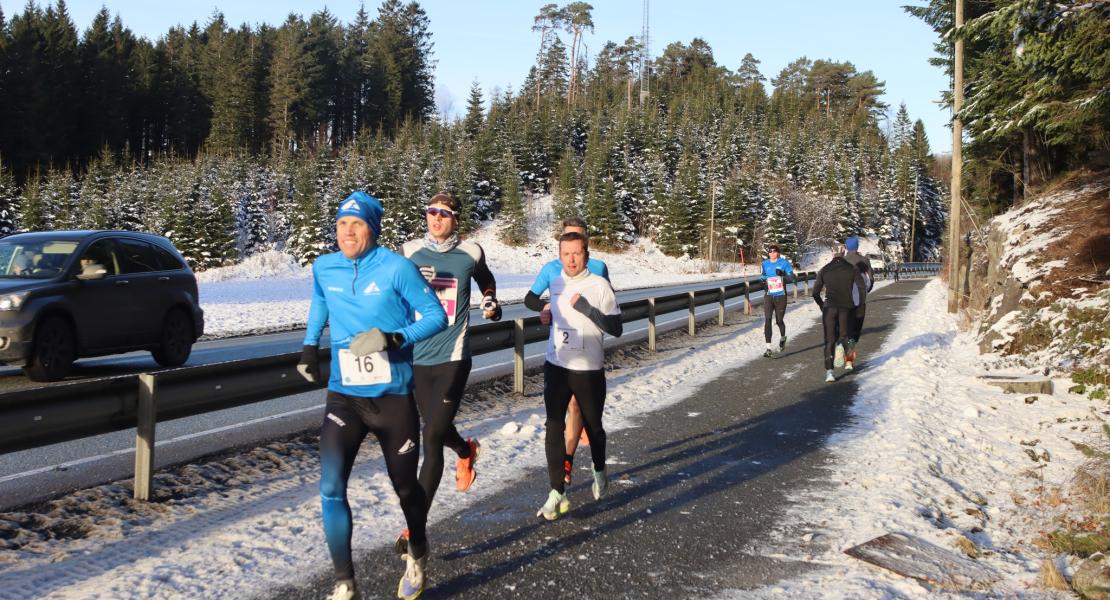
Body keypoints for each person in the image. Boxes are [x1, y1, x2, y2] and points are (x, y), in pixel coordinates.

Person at [297, 191, 448, 600]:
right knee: (330, 486)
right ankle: (345, 583)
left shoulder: (397, 268)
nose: (348, 231)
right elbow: (320, 301)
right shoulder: (324, 267)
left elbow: (436, 316)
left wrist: (393, 338)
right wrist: (310, 346)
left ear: (373, 229)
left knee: (405, 489)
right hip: (344, 396)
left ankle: (418, 549)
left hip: (392, 398)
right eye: (342, 223)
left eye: (357, 224)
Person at [396, 192, 501, 554]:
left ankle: (415, 527)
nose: (436, 217)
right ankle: (465, 450)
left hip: (454, 357)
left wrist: (490, 300)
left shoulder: (470, 253)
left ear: (456, 218)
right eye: (431, 211)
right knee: (437, 430)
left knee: (431, 436)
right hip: (418, 358)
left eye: (444, 213)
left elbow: (487, 280)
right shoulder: (409, 252)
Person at [524, 232, 622, 520]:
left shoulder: (600, 285)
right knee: (553, 426)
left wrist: (588, 310)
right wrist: (546, 316)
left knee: (594, 428)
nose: (571, 259)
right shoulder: (555, 283)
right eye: (565, 254)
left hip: (588, 369)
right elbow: (553, 315)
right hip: (556, 365)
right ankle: (557, 491)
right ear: (560, 256)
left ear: (586, 255)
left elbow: (616, 328)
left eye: (576, 253)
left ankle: (599, 469)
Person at [812, 249, 867, 383]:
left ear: (832, 253)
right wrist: (860, 305)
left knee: (829, 340)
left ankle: (829, 372)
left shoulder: (824, 269)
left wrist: (821, 305)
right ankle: (845, 354)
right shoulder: (852, 268)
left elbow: (815, 293)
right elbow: (862, 288)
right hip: (847, 307)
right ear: (843, 253)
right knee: (846, 335)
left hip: (829, 307)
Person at [840, 236, 874, 370]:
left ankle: (843, 349)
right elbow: (870, 280)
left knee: (844, 330)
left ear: (846, 247)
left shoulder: (841, 261)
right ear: (857, 246)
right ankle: (849, 359)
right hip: (859, 300)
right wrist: (865, 292)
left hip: (843, 300)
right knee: (855, 330)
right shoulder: (864, 260)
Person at [760, 245, 795, 357]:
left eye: (774, 251)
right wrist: (762, 281)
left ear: (778, 253)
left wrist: (783, 274)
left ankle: (783, 338)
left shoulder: (784, 263)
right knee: (768, 319)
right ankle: (768, 349)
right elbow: (763, 276)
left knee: (779, 321)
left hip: (781, 296)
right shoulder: (765, 264)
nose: (772, 253)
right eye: (770, 251)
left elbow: (792, 278)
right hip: (769, 295)